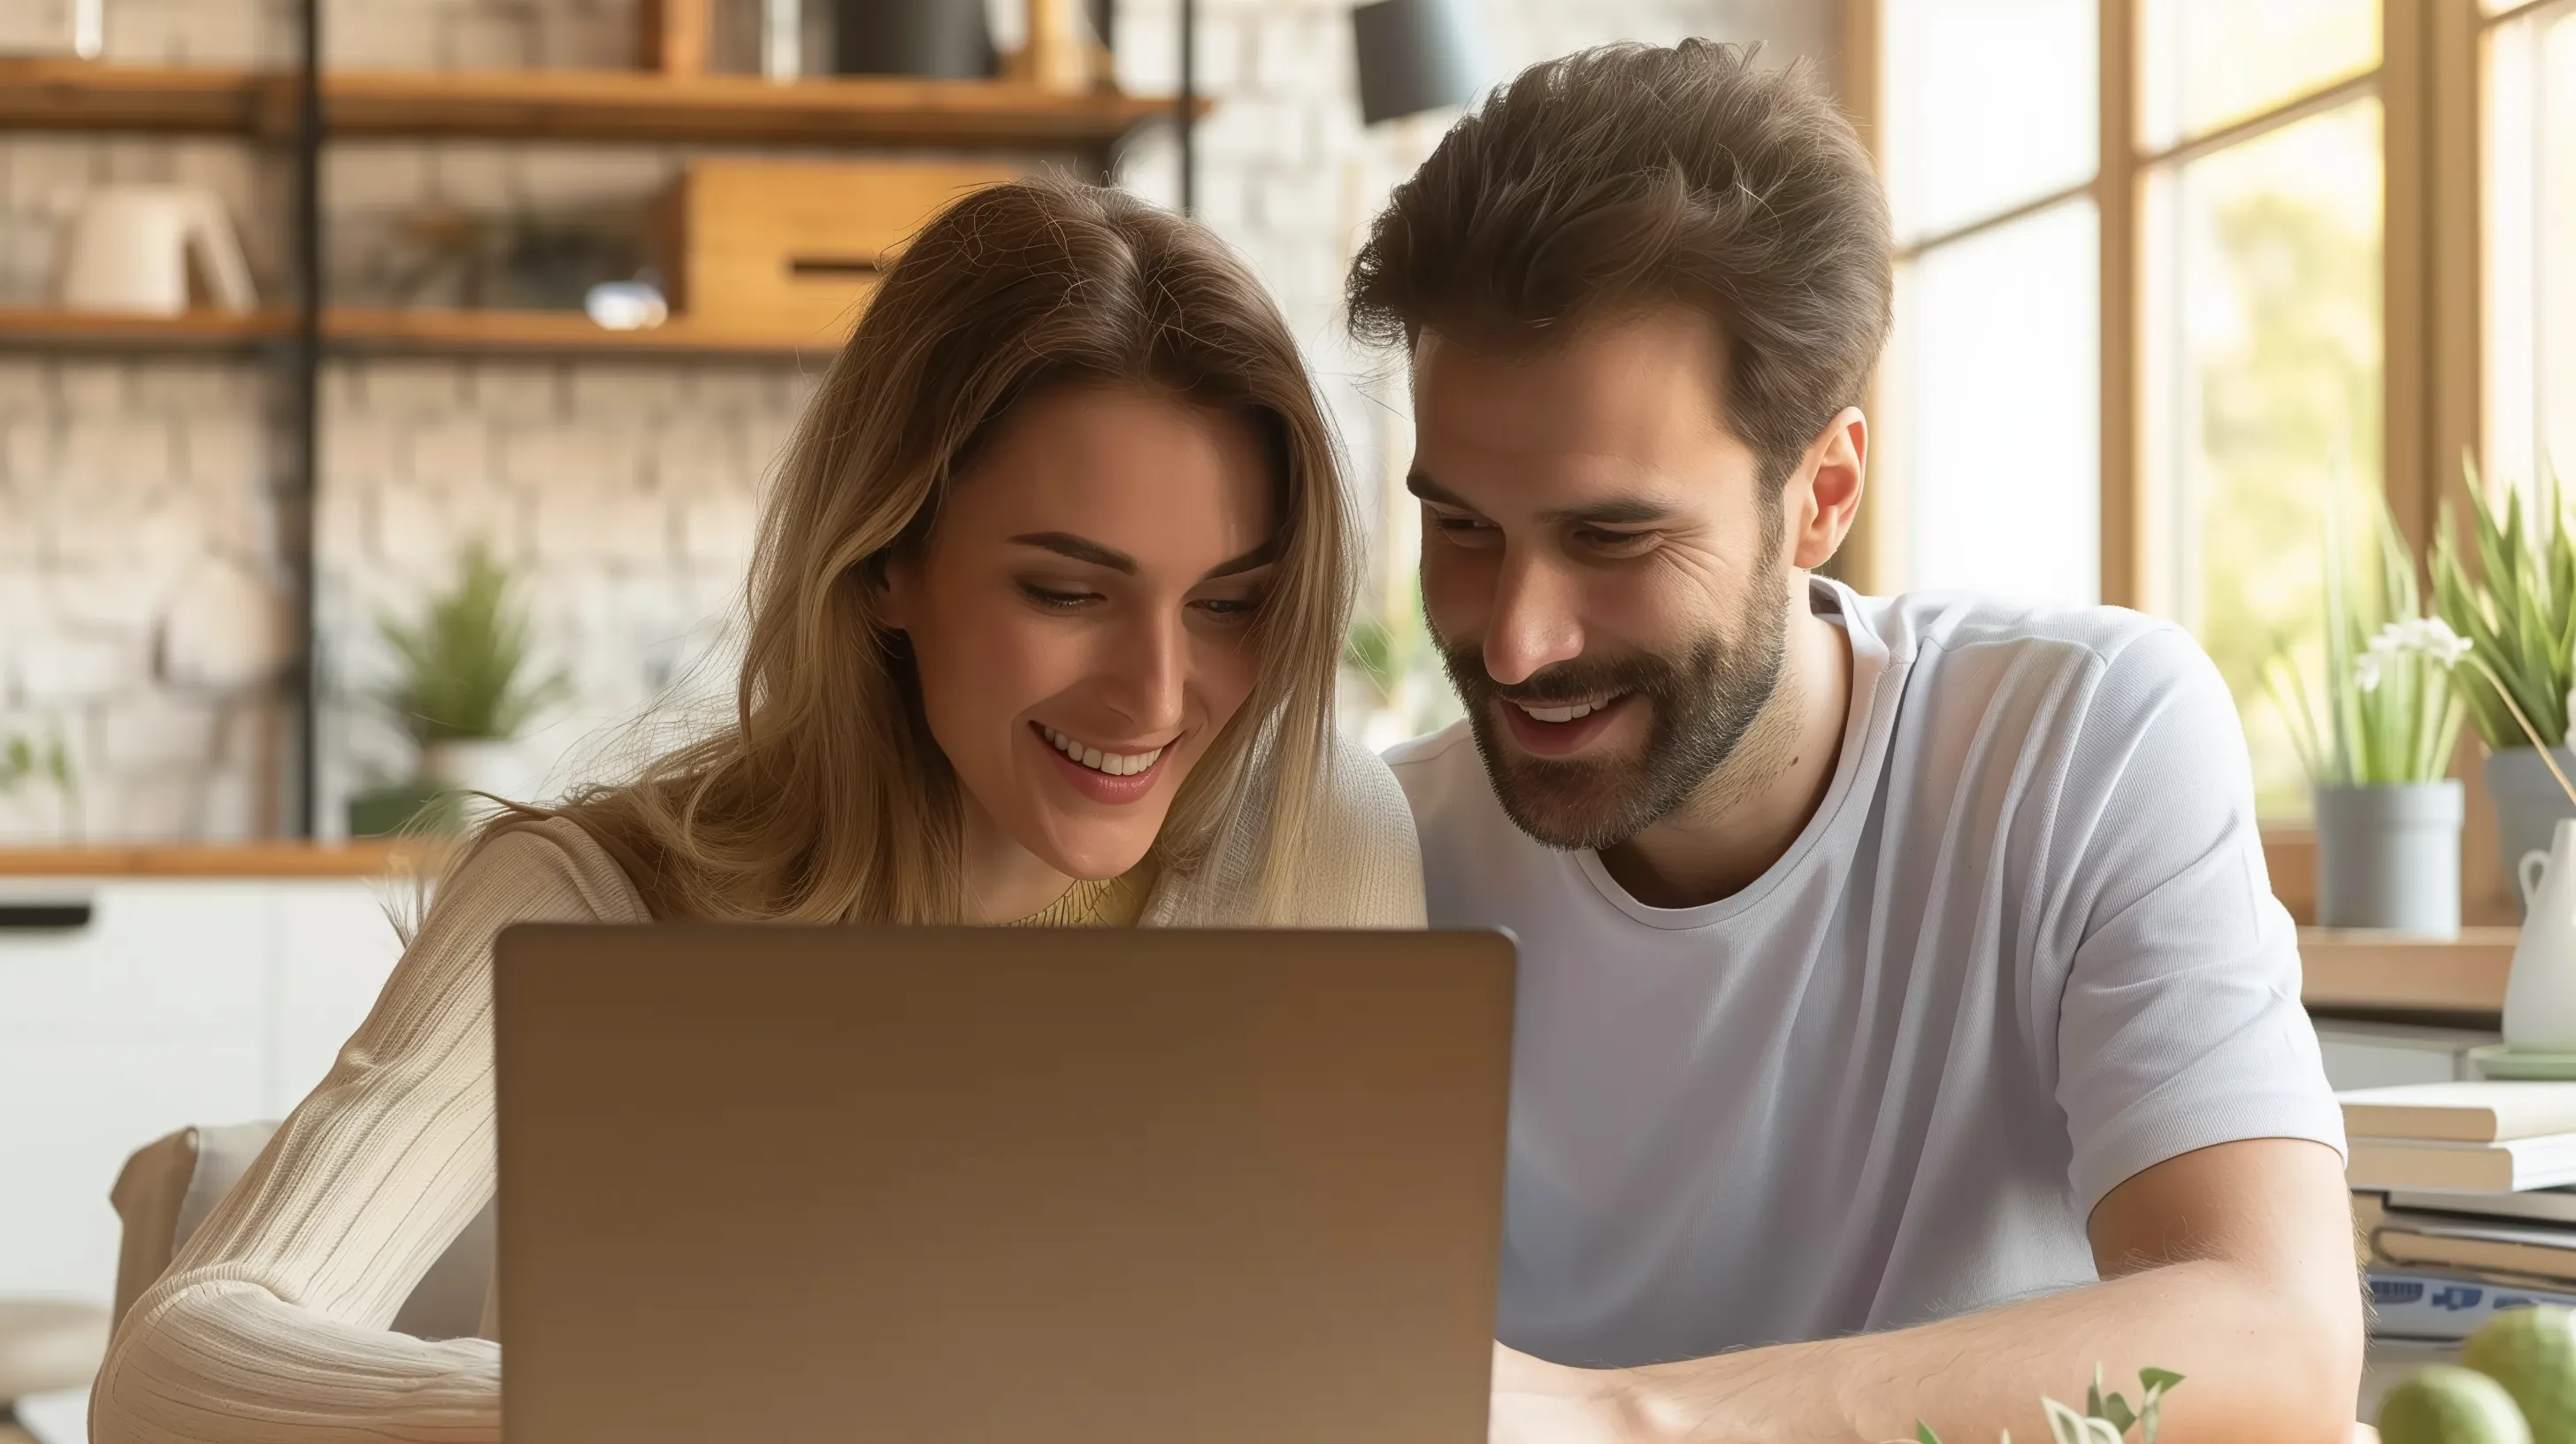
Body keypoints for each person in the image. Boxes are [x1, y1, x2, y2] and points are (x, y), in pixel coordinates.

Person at [91, 175, 1423, 1444]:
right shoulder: (589, 906)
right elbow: (172, 1367)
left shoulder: (1317, 842)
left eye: (1230, 604)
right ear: (886, 564)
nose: (1155, 695)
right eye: (1068, 594)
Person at [1352, 42, 2361, 1444]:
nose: (1517, 642)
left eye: (1613, 537)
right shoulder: (1365, 857)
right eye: (1462, 527)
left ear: (1819, 493)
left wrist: (1632, 1420)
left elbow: (2275, 1337)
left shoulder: (2084, 741)